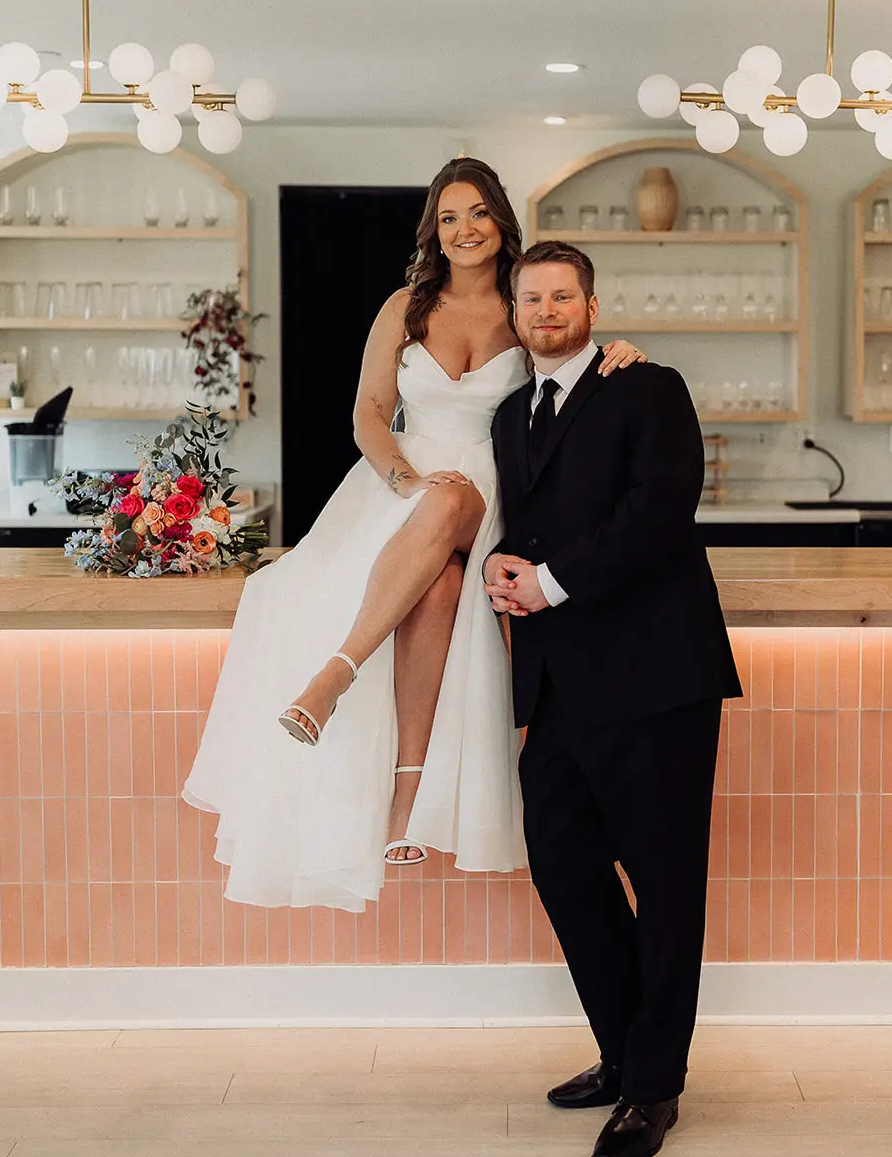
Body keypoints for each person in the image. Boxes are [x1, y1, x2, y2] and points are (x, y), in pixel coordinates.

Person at [182, 160, 645, 907]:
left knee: (458, 498)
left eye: (480, 214)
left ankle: (334, 676)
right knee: (442, 591)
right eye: (450, 216)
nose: (465, 230)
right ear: (435, 228)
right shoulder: (406, 305)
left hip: (496, 496)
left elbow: (575, 358)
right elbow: (369, 413)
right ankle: (407, 796)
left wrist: (622, 355)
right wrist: (404, 480)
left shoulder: (524, 305)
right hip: (401, 487)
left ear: (501, 222)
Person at [484, 240, 741, 1157]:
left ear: (593, 305)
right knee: (562, 865)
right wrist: (499, 569)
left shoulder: (648, 386)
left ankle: (653, 1088)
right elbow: (515, 524)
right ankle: (624, 1051)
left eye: (563, 296)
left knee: (667, 886)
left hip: (656, 678)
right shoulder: (512, 411)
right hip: (556, 685)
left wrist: (548, 582)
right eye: (532, 299)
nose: (547, 311)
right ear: (514, 313)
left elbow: (663, 511)